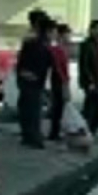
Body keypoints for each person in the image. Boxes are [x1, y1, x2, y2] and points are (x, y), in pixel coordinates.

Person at [15, 11, 54, 148]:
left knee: (29, 109)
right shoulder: (37, 44)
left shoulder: (34, 43)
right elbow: (23, 63)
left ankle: (29, 136)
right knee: (32, 110)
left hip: (31, 80)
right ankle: (33, 137)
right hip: (32, 81)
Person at [78, 20, 98, 135]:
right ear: (92, 30)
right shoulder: (87, 44)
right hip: (91, 81)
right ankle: (86, 130)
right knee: (91, 107)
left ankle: (91, 130)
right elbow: (84, 65)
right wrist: (90, 82)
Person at [47, 22, 72, 141]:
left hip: (60, 79)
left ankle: (56, 131)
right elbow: (58, 67)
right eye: (67, 35)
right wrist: (64, 82)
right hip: (58, 80)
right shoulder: (57, 50)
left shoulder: (62, 49)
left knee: (59, 107)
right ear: (62, 35)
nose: (69, 37)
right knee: (58, 107)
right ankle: (54, 133)